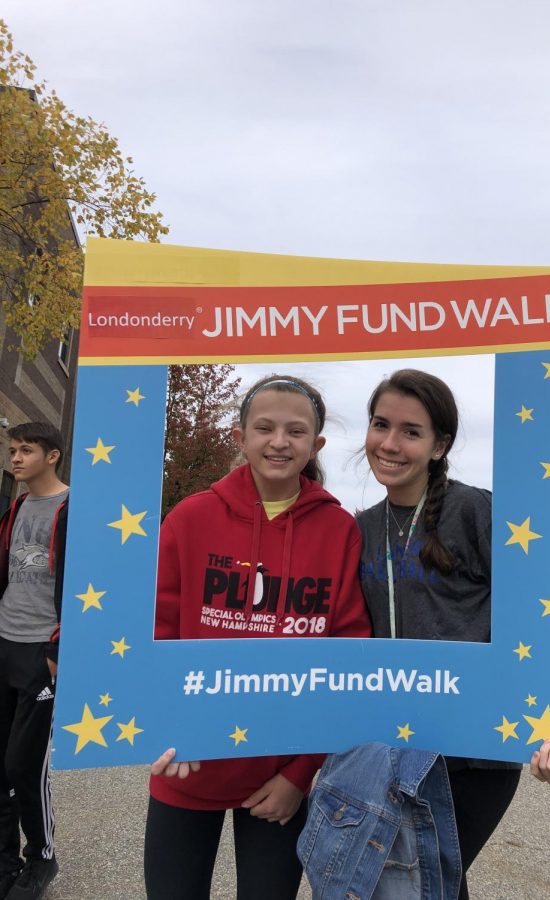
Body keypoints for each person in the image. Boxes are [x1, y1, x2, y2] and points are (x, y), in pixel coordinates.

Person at [144, 375, 371, 900]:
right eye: (264, 428)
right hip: (188, 763)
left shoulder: (340, 531)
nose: (279, 441)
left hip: (280, 777)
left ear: (315, 445)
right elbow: (155, 631)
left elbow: (345, 658)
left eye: (296, 431)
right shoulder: (190, 517)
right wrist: (164, 724)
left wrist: (301, 773)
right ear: (240, 436)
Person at [357, 369, 550, 900]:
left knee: (428, 881)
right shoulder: (362, 525)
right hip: (392, 745)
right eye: (381, 424)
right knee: (410, 884)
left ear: (440, 445)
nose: (390, 443)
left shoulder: (474, 509)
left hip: (475, 751)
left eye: (411, 431)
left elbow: (538, 613)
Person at [0, 422, 69, 900]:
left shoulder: (72, 509)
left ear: (53, 456)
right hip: (4, 642)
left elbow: (87, 588)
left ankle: (41, 858)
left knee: (23, 765)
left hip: (40, 653)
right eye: (12, 450)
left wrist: (59, 652)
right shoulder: (17, 504)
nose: (16, 458)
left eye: (26, 450)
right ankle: (5, 862)